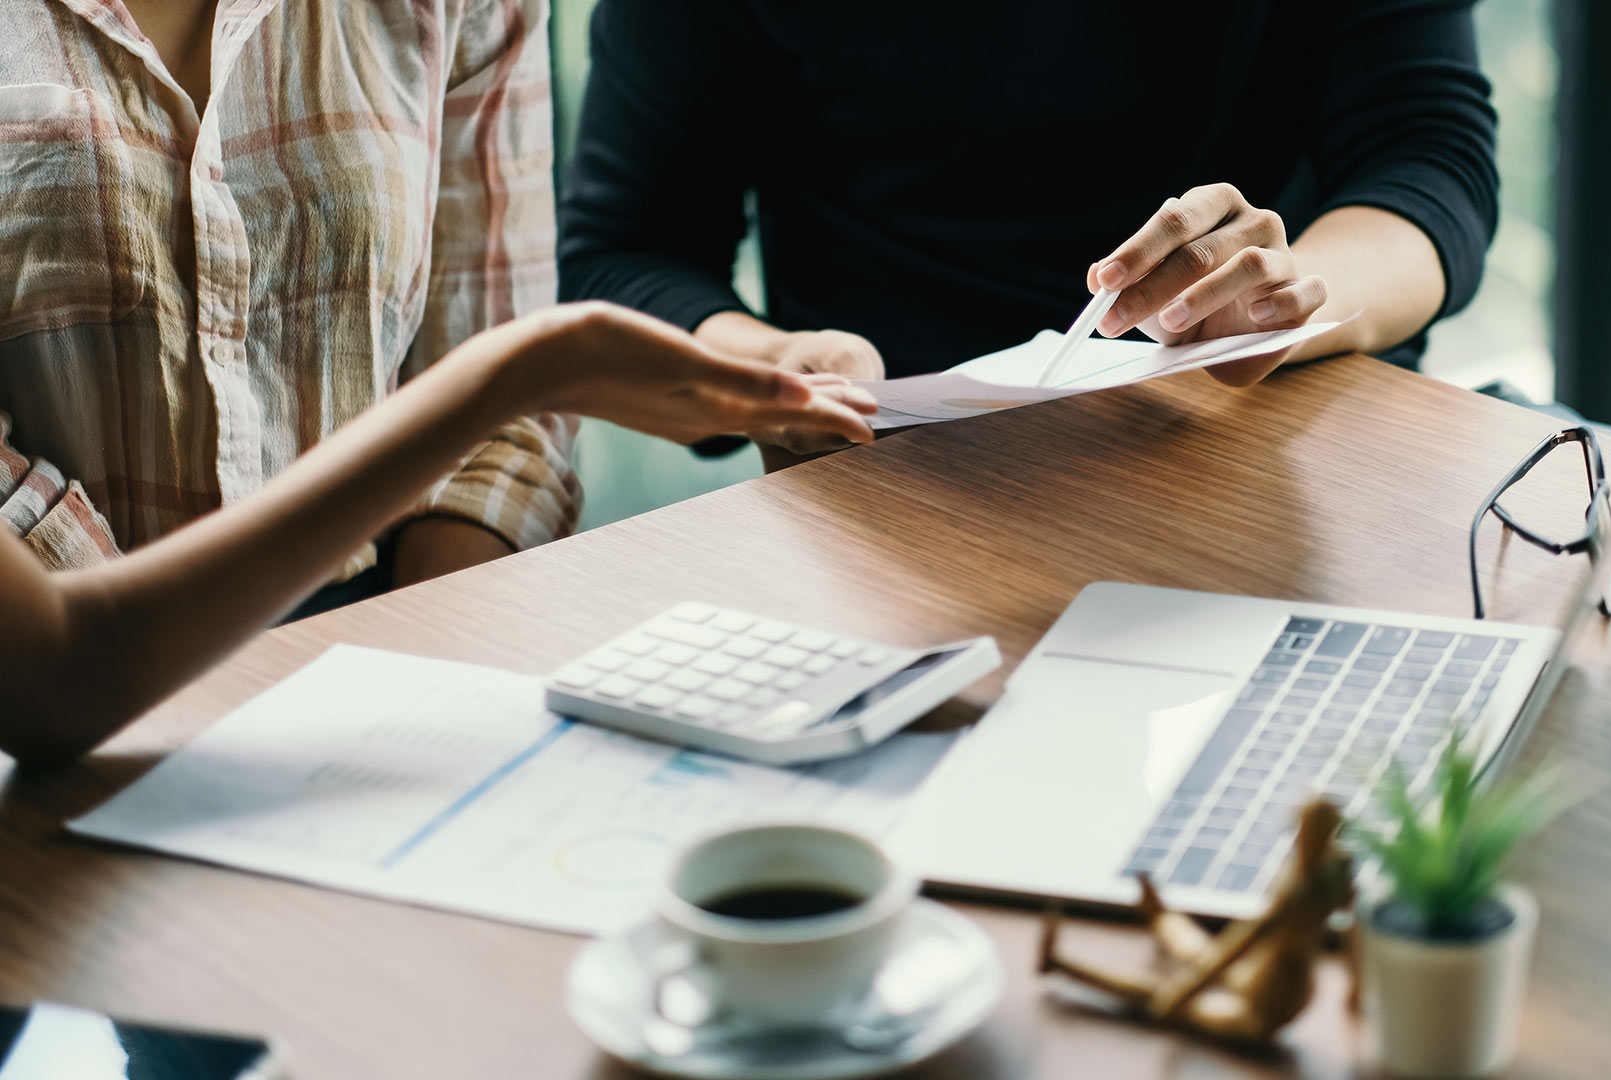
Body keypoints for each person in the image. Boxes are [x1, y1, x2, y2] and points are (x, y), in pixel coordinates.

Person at [559, 1, 1495, 455]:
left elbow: (1427, 157)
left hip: (1272, 436)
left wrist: (1295, 300)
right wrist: (770, 364)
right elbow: (626, 244)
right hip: (903, 475)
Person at [0, 302, 876, 770]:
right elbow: (53, 677)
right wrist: (530, 366)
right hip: (101, 762)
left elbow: (495, 420)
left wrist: (420, 689)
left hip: (373, 681)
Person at [2, 0, 581, 613]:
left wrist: (410, 656)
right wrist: (119, 651)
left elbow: (505, 393)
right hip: (63, 657)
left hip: (381, 624)